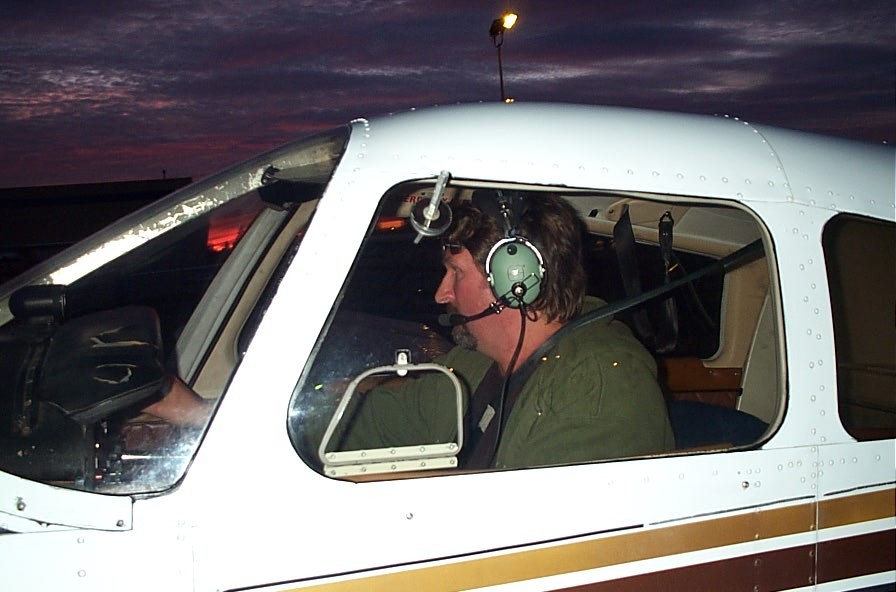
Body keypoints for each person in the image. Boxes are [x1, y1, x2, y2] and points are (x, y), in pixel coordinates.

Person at [336, 191, 674, 470]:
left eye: (456, 272)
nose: (442, 294)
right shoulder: (473, 366)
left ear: (515, 280)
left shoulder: (597, 384)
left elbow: (543, 539)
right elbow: (373, 423)